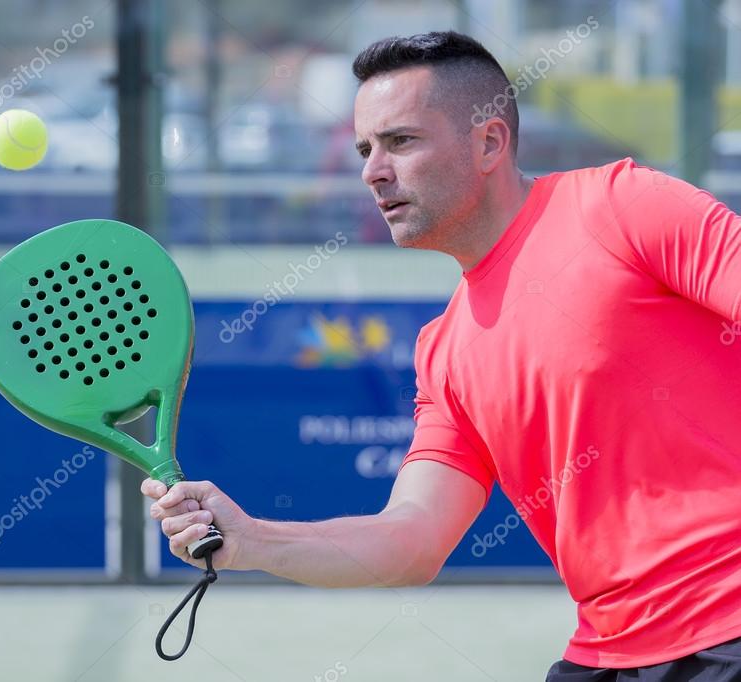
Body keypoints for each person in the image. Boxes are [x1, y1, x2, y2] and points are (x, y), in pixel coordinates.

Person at [141, 31, 741, 680]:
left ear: (487, 143)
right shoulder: (445, 351)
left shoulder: (625, 206)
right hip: (612, 653)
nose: (372, 169)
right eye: (366, 147)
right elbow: (410, 541)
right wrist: (252, 540)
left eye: (400, 142)